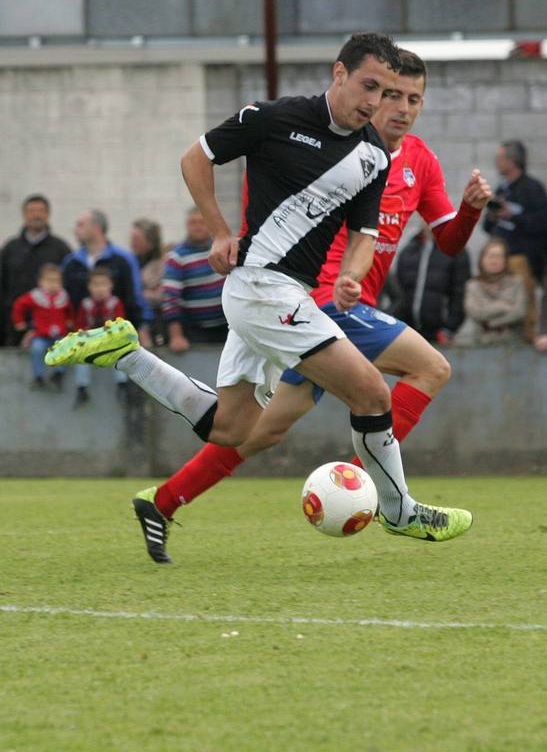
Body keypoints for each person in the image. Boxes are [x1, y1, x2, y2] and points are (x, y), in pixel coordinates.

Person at [46, 38, 484, 563]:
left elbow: (364, 234)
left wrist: (351, 274)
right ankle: (398, 509)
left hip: (288, 295)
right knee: (372, 395)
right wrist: (218, 231)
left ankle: (128, 354)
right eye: (372, 87)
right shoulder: (274, 117)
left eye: (392, 93)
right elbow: (196, 157)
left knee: (234, 430)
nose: (378, 101)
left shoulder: (373, 157)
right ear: (339, 73)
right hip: (262, 287)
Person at [483, 140, 547, 341]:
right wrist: (494, 215)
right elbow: (487, 226)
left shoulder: (532, 188)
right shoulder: (502, 189)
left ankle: (528, 340)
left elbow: (542, 222)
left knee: (525, 304)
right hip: (500, 257)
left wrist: (513, 216)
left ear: (513, 161)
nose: (497, 162)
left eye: (501, 158)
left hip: (522, 258)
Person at [1, 195, 71, 345]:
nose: (36, 215)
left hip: (52, 331)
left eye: (41, 211)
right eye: (31, 211)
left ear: (47, 215)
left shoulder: (60, 248)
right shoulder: (10, 248)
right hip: (14, 325)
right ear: (24, 215)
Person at [62, 209, 143, 332]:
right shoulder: (71, 262)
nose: (76, 230)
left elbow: (135, 297)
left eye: (81, 225)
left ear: (96, 227)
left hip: (116, 333)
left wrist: (141, 326)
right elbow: (64, 299)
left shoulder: (124, 259)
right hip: (80, 334)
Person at [162, 207, 228, 352]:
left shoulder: (223, 249)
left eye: (201, 222)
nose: (197, 227)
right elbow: (171, 299)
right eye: (192, 223)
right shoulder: (177, 257)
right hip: (195, 331)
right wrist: (176, 337)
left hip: (228, 327)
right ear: (187, 226)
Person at [393, 223, 471, 344]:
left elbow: (459, 293)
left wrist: (450, 328)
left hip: (440, 334)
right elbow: (398, 292)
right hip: (408, 331)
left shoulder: (455, 250)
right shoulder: (408, 250)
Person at [11, 262, 74, 390]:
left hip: (59, 334)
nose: (53, 284)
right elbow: (18, 306)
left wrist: (70, 321)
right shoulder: (35, 297)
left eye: (57, 281)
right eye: (49, 280)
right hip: (41, 334)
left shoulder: (63, 297)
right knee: (36, 349)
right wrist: (19, 322)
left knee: (64, 348)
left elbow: (70, 311)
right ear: (40, 281)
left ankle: (58, 374)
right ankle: (38, 376)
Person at [453, 240, 526, 346]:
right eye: (490, 256)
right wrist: (503, 306)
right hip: (481, 343)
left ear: (505, 260)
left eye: (498, 257)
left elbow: (519, 312)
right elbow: (475, 312)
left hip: (512, 343)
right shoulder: (473, 285)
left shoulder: (516, 282)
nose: (494, 261)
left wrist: (492, 323)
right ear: (482, 259)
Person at [72, 266, 127, 408]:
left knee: (120, 352)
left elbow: (121, 323)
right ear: (89, 287)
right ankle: (82, 387)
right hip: (92, 339)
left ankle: (122, 384)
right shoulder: (86, 304)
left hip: (110, 339)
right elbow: (80, 325)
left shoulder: (115, 303)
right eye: (96, 285)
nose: (100, 289)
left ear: (110, 285)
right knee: (80, 354)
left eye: (103, 284)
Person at [129, 218, 166, 347]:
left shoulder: (163, 264)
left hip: (157, 321)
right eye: (132, 238)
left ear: (150, 241)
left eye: (137, 238)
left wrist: (138, 294)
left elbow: (162, 295)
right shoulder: (128, 261)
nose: (132, 242)